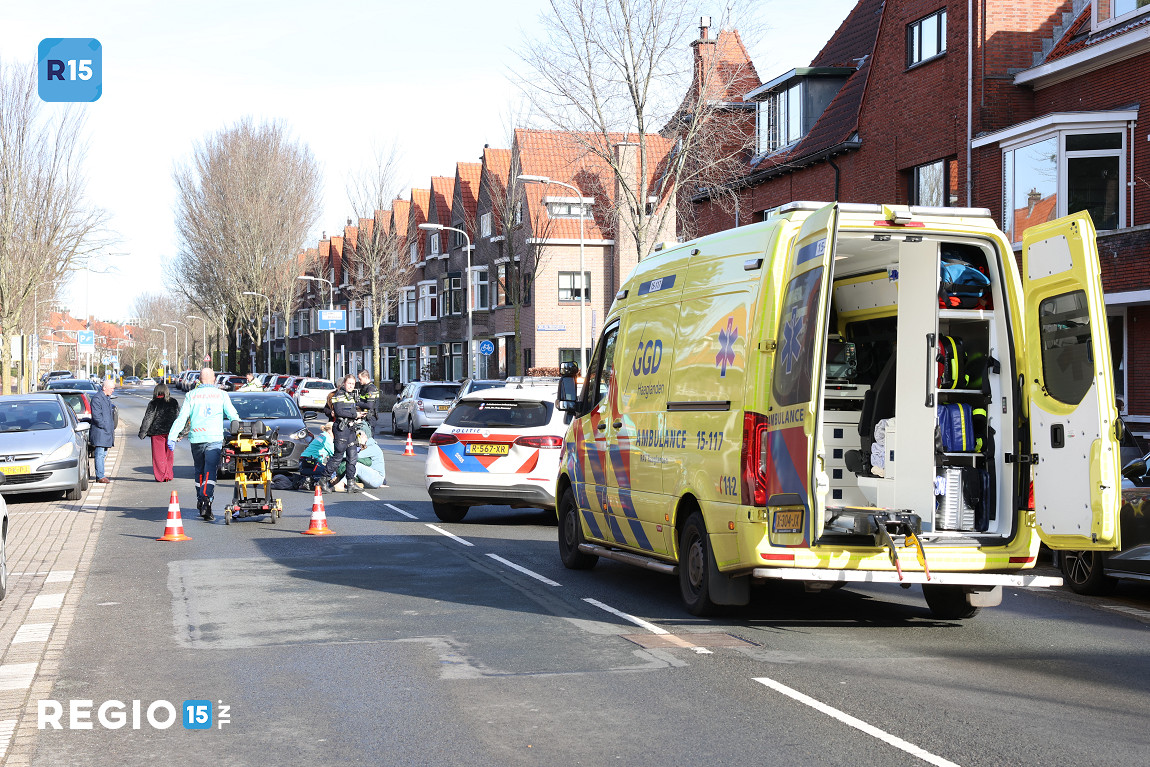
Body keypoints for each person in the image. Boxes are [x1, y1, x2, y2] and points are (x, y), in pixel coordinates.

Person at [168, 367, 240, 521]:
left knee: (199, 471)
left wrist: (172, 436)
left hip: (196, 439)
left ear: (199, 380)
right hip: (214, 438)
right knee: (210, 471)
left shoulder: (191, 395)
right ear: (214, 380)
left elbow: (182, 418)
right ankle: (206, 499)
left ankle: (200, 500)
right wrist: (241, 431)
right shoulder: (221, 395)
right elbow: (233, 415)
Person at [321, 375, 362, 493]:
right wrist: (355, 415)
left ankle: (351, 483)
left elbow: (351, 410)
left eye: (353, 384)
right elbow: (339, 411)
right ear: (344, 383)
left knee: (353, 456)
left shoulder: (350, 395)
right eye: (349, 383)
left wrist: (359, 415)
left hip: (350, 429)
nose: (351, 386)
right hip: (341, 429)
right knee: (338, 456)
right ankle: (323, 480)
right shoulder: (339, 395)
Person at [137, 383, 182, 481]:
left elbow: (148, 418)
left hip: (157, 432)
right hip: (171, 432)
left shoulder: (153, 403)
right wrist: (179, 433)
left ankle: (162, 476)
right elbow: (179, 417)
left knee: (158, 455)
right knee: (169, 454)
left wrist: (143, 432)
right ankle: (169, 474)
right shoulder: (174, 402)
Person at [89, 379, 117, 484]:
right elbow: (97, 416)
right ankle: (100, 476)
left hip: (105, 431)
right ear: (104, 388)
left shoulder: (106, 398)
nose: (113, 391)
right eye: (111, 388)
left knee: (103, 453)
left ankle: (101, 474)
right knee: (100, 453)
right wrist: (105, 426)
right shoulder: (97, 398)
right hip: (100, 431)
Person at [297, 422, 334, 490]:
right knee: (328, 472)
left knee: (324, 469)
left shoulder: (322, 435)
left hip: (304, 462)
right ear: (331, 431)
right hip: (310, 463)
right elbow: (335, 453)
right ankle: (312, 481)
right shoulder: (327, 438)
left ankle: (308, 480)